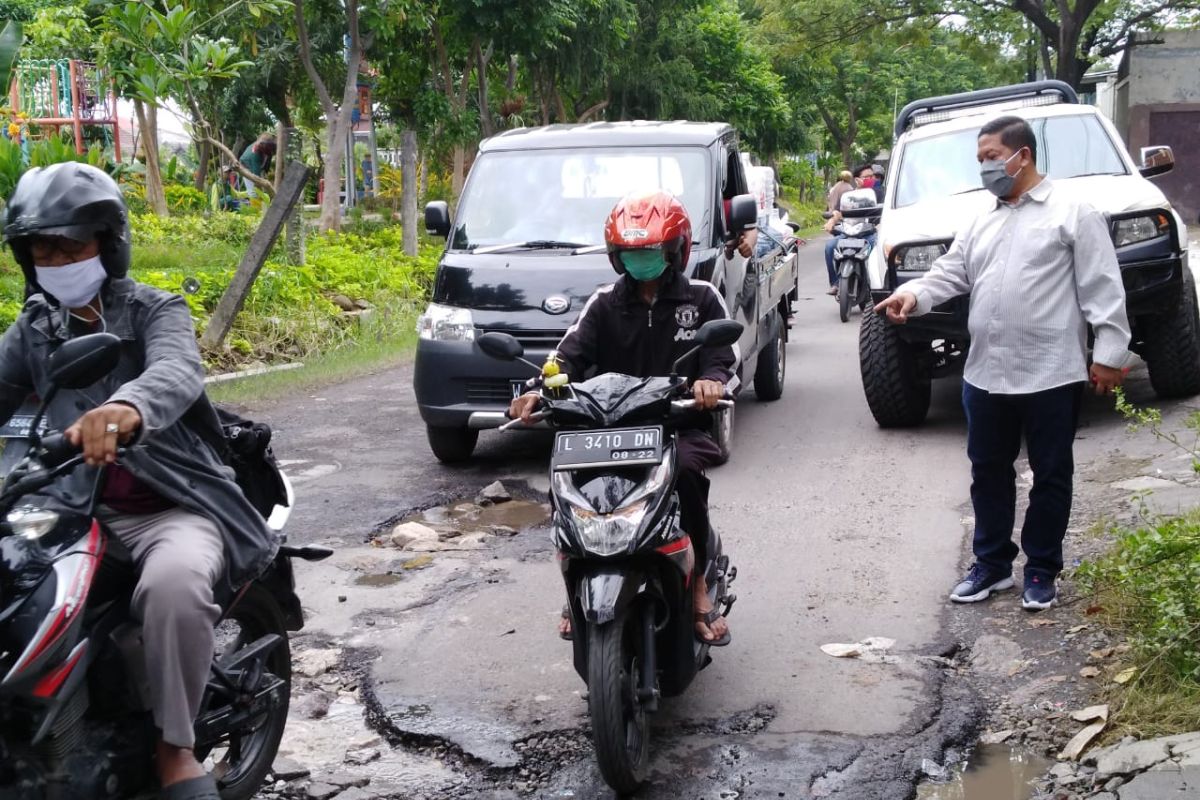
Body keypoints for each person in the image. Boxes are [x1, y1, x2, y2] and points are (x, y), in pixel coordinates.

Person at [0, 163, 279, 799]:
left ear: (108, 242)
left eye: (70, 245)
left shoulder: (157, 308)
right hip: (66, 504)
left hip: (168, 505)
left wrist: (127, 410)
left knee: (173, 585)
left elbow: (177, 372)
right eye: (42, 247)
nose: (55, 259)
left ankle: (176, 748)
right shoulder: (36, 327)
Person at [873, 115, 1130, 611]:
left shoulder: (1072, 212)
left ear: (1023, 155)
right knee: (988, 471)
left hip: (1051, 370)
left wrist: (1110, 355)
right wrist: (913, 294)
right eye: (982, 161)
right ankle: (991, 566)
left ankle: (1040, 570)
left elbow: (1102, 286)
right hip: (986, 372)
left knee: (1051, 473)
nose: (986, 169)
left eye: (991, 158)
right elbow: (952, 271)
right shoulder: (982, 217)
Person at [509, 190, 740, 645]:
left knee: (688, 476)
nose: (640, 261)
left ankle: (695, 586)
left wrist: (710, 384)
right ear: (617, 256)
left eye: (649, 251)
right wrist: (539, 391)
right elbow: (566, 358)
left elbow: (722, 356)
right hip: (608, 430)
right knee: (565, 480)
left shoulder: (701, 297)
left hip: (676, 425)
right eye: (631, 253)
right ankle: (576, 581)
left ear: (675, 250)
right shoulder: (603, 304)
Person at [824, 164, 881, 296]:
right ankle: (836, 283)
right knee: (830, 246)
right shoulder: (849, 195)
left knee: (876, 249)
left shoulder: (878, 193)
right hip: (849, 233)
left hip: (869, 233)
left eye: (872, 176)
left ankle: (874, 284)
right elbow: (838, 211)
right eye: (867, 177)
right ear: (857, 180)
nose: (871, 179)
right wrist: (831, 221)